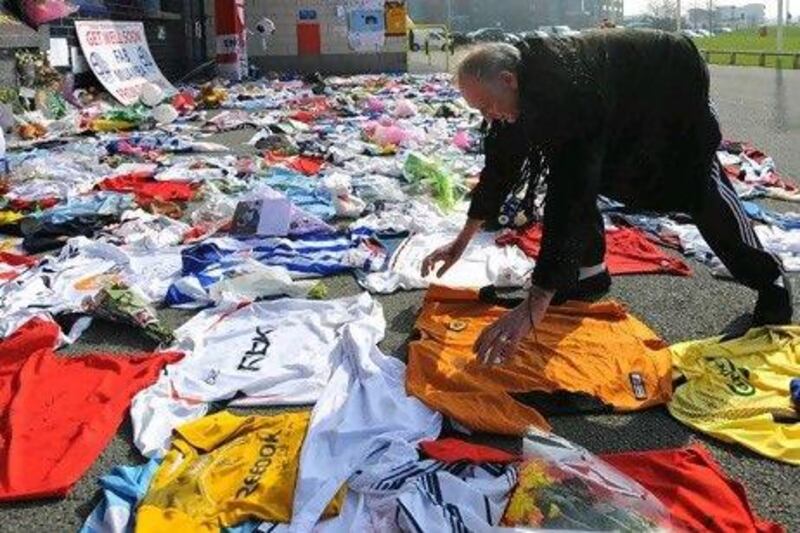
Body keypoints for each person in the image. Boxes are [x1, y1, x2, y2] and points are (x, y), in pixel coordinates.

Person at [421, 29, 793, 365]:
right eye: (480, 112)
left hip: (670, 82)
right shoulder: (513, 100)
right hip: (614, 99)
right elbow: (499, 171)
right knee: (586, 176)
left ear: (508, 79)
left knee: (695, 182)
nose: (491, 116)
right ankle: (589, 273)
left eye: (487, 106)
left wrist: (534, 304)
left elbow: (570, 190)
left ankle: (769, 278)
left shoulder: (562, 88)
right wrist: (461, 243)